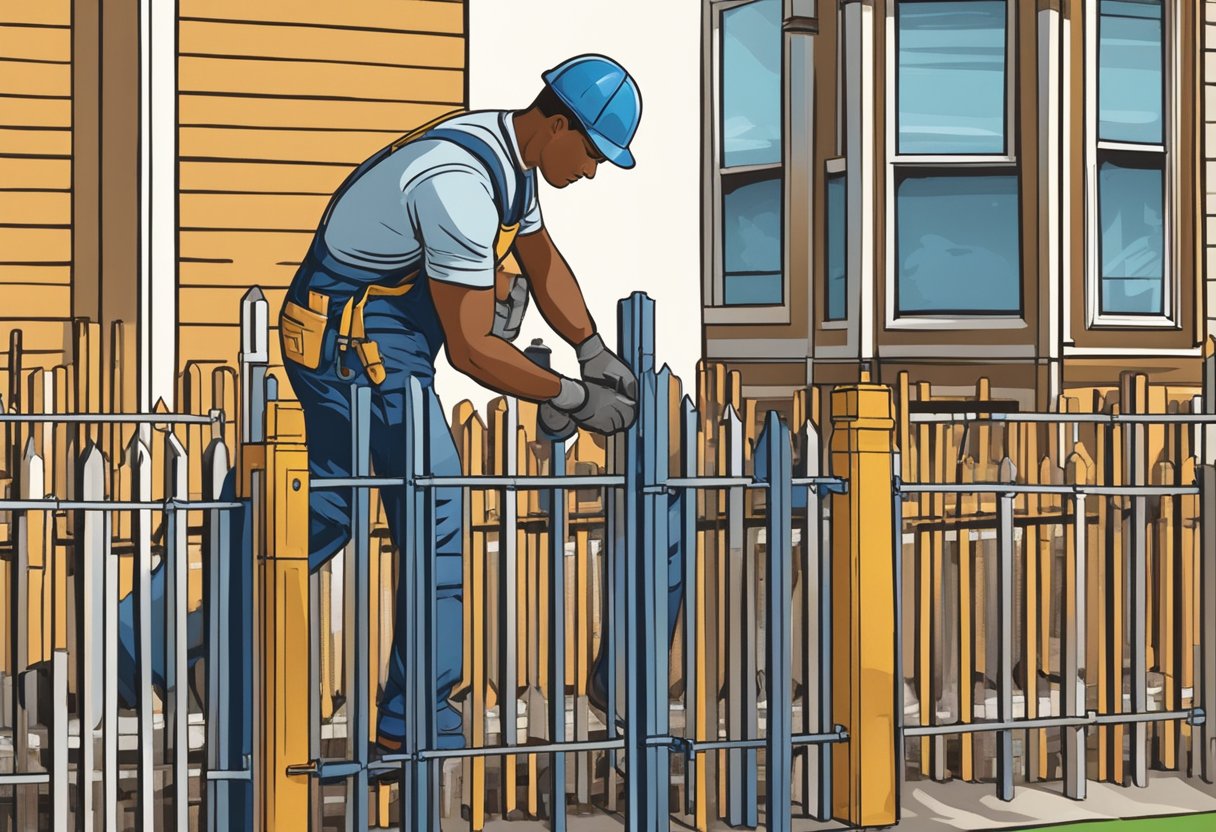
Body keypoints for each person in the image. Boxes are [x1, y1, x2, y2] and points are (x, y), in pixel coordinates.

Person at [276, 54, 642, 753]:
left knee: (320, 514)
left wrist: (592, 347)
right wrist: (571, 394)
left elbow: (541, 261)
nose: (593, 170)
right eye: (592, 152)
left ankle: (142, 646)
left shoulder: (510, 163)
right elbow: (473, 349)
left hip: (373, 332)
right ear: (556, 123)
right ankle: (413, 721)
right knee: (434, 499)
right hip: (352, 340)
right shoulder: (461, 185)